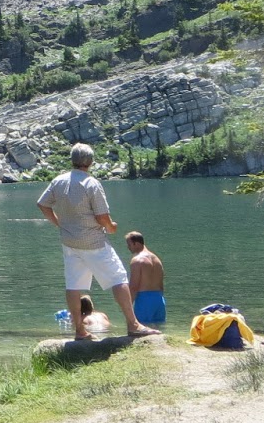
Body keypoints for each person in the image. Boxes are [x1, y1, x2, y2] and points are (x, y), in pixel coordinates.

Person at [36, 143, 160, 340]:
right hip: (93, 242)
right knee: (118, 278)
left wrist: (58, 223)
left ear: (72, 160)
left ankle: (79, 331)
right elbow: (102, 217)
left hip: (69, 242)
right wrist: (111, 227)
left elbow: (42, 204)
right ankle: (133, 325)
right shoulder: (91, 183)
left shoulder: (58, 181)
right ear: (90, 162)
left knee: (73, 285)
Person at [127, 230, 167, 325]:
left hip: (144, 300)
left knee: (139, 330)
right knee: (159, 330)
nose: (128, 247)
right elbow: (161, 285)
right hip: (159, 299)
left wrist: (128, 308)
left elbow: (134, 287)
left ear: (135, 243)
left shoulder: (137, 260)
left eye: (129, 244)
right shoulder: (157, 259)